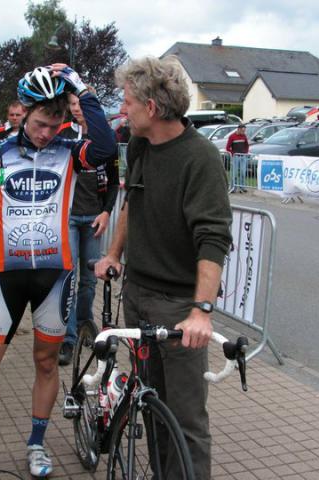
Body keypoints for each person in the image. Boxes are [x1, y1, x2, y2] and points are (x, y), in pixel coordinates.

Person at [0, 64, 116, 477]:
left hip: (55, 275)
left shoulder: (70, 150)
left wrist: (81, 88)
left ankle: (36, 445)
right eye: (40, 123)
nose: (47, 132)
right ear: (23, 112)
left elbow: (106, 149)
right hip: (7, 275)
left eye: (55, 124)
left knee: (46, 364)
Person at [95, 56, 232, 480]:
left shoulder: (201, 159)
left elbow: (213, 239)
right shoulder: (139, 145)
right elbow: (133, 201)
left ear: (151, 108)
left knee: (187, 422)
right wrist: (114, 254)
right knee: (149, 402)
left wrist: (201, 312)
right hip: (137, 297)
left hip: (178, 309)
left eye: (127, 102)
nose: (122, 110)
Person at [57, 91, 119, 365]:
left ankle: (85, 325)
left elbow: (115, 181)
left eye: (83, 104)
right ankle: (68, 339)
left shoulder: (105, 138)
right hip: (68, 218)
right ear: (69, 108)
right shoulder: (64, 136)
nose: (78, 109)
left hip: (94, 217)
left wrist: (106, 212)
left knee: (89, 280)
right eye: (74, 104)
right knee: (68, 279)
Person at [225, 123, 249, 193]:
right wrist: (233, 153)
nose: (243, 132)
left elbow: (247, 145)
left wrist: (246, 152)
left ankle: (242, 187)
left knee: (243, 172)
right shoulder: (232, 136)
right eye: (242, 131)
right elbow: (227, 148)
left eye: (244, 131)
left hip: (243, 157)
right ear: (238, 129)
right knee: (234, 173)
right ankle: (233, 187)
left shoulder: (244, 136)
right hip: (235, 157)